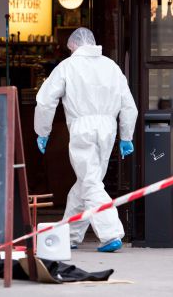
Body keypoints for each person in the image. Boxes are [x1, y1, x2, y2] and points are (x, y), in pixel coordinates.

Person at [34, 27, 138, 253]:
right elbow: (129, 105)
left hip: (82, 128)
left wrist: (42, 131)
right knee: (86, 182)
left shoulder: (68, 66)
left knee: (90, 182)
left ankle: (111, 233)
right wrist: (126, 135)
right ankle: (70, 234)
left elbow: (45, 101)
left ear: (73, 46)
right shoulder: (111, 67)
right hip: (108, 129)